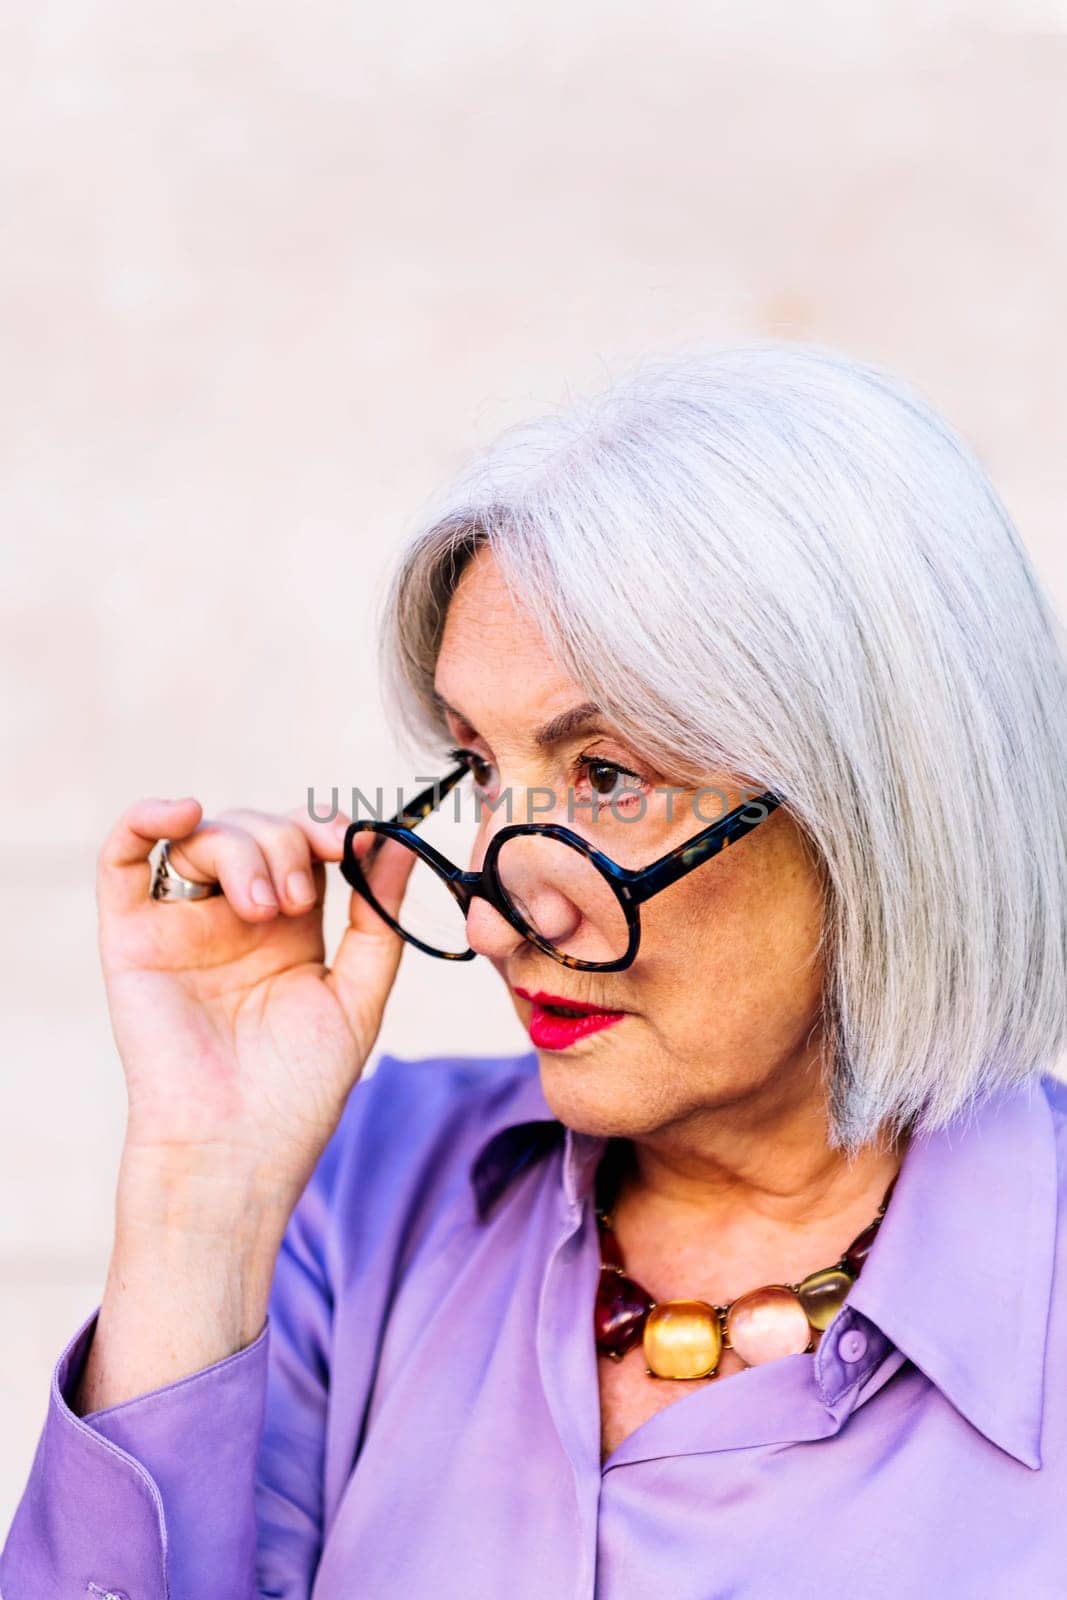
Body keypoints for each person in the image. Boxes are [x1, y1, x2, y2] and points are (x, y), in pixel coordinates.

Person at [3, 341, 1066, 1599]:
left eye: (607, 775)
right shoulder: (356, 1194)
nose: (502, 913)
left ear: (887, 804)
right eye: (480, 769)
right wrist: (204, 1198)